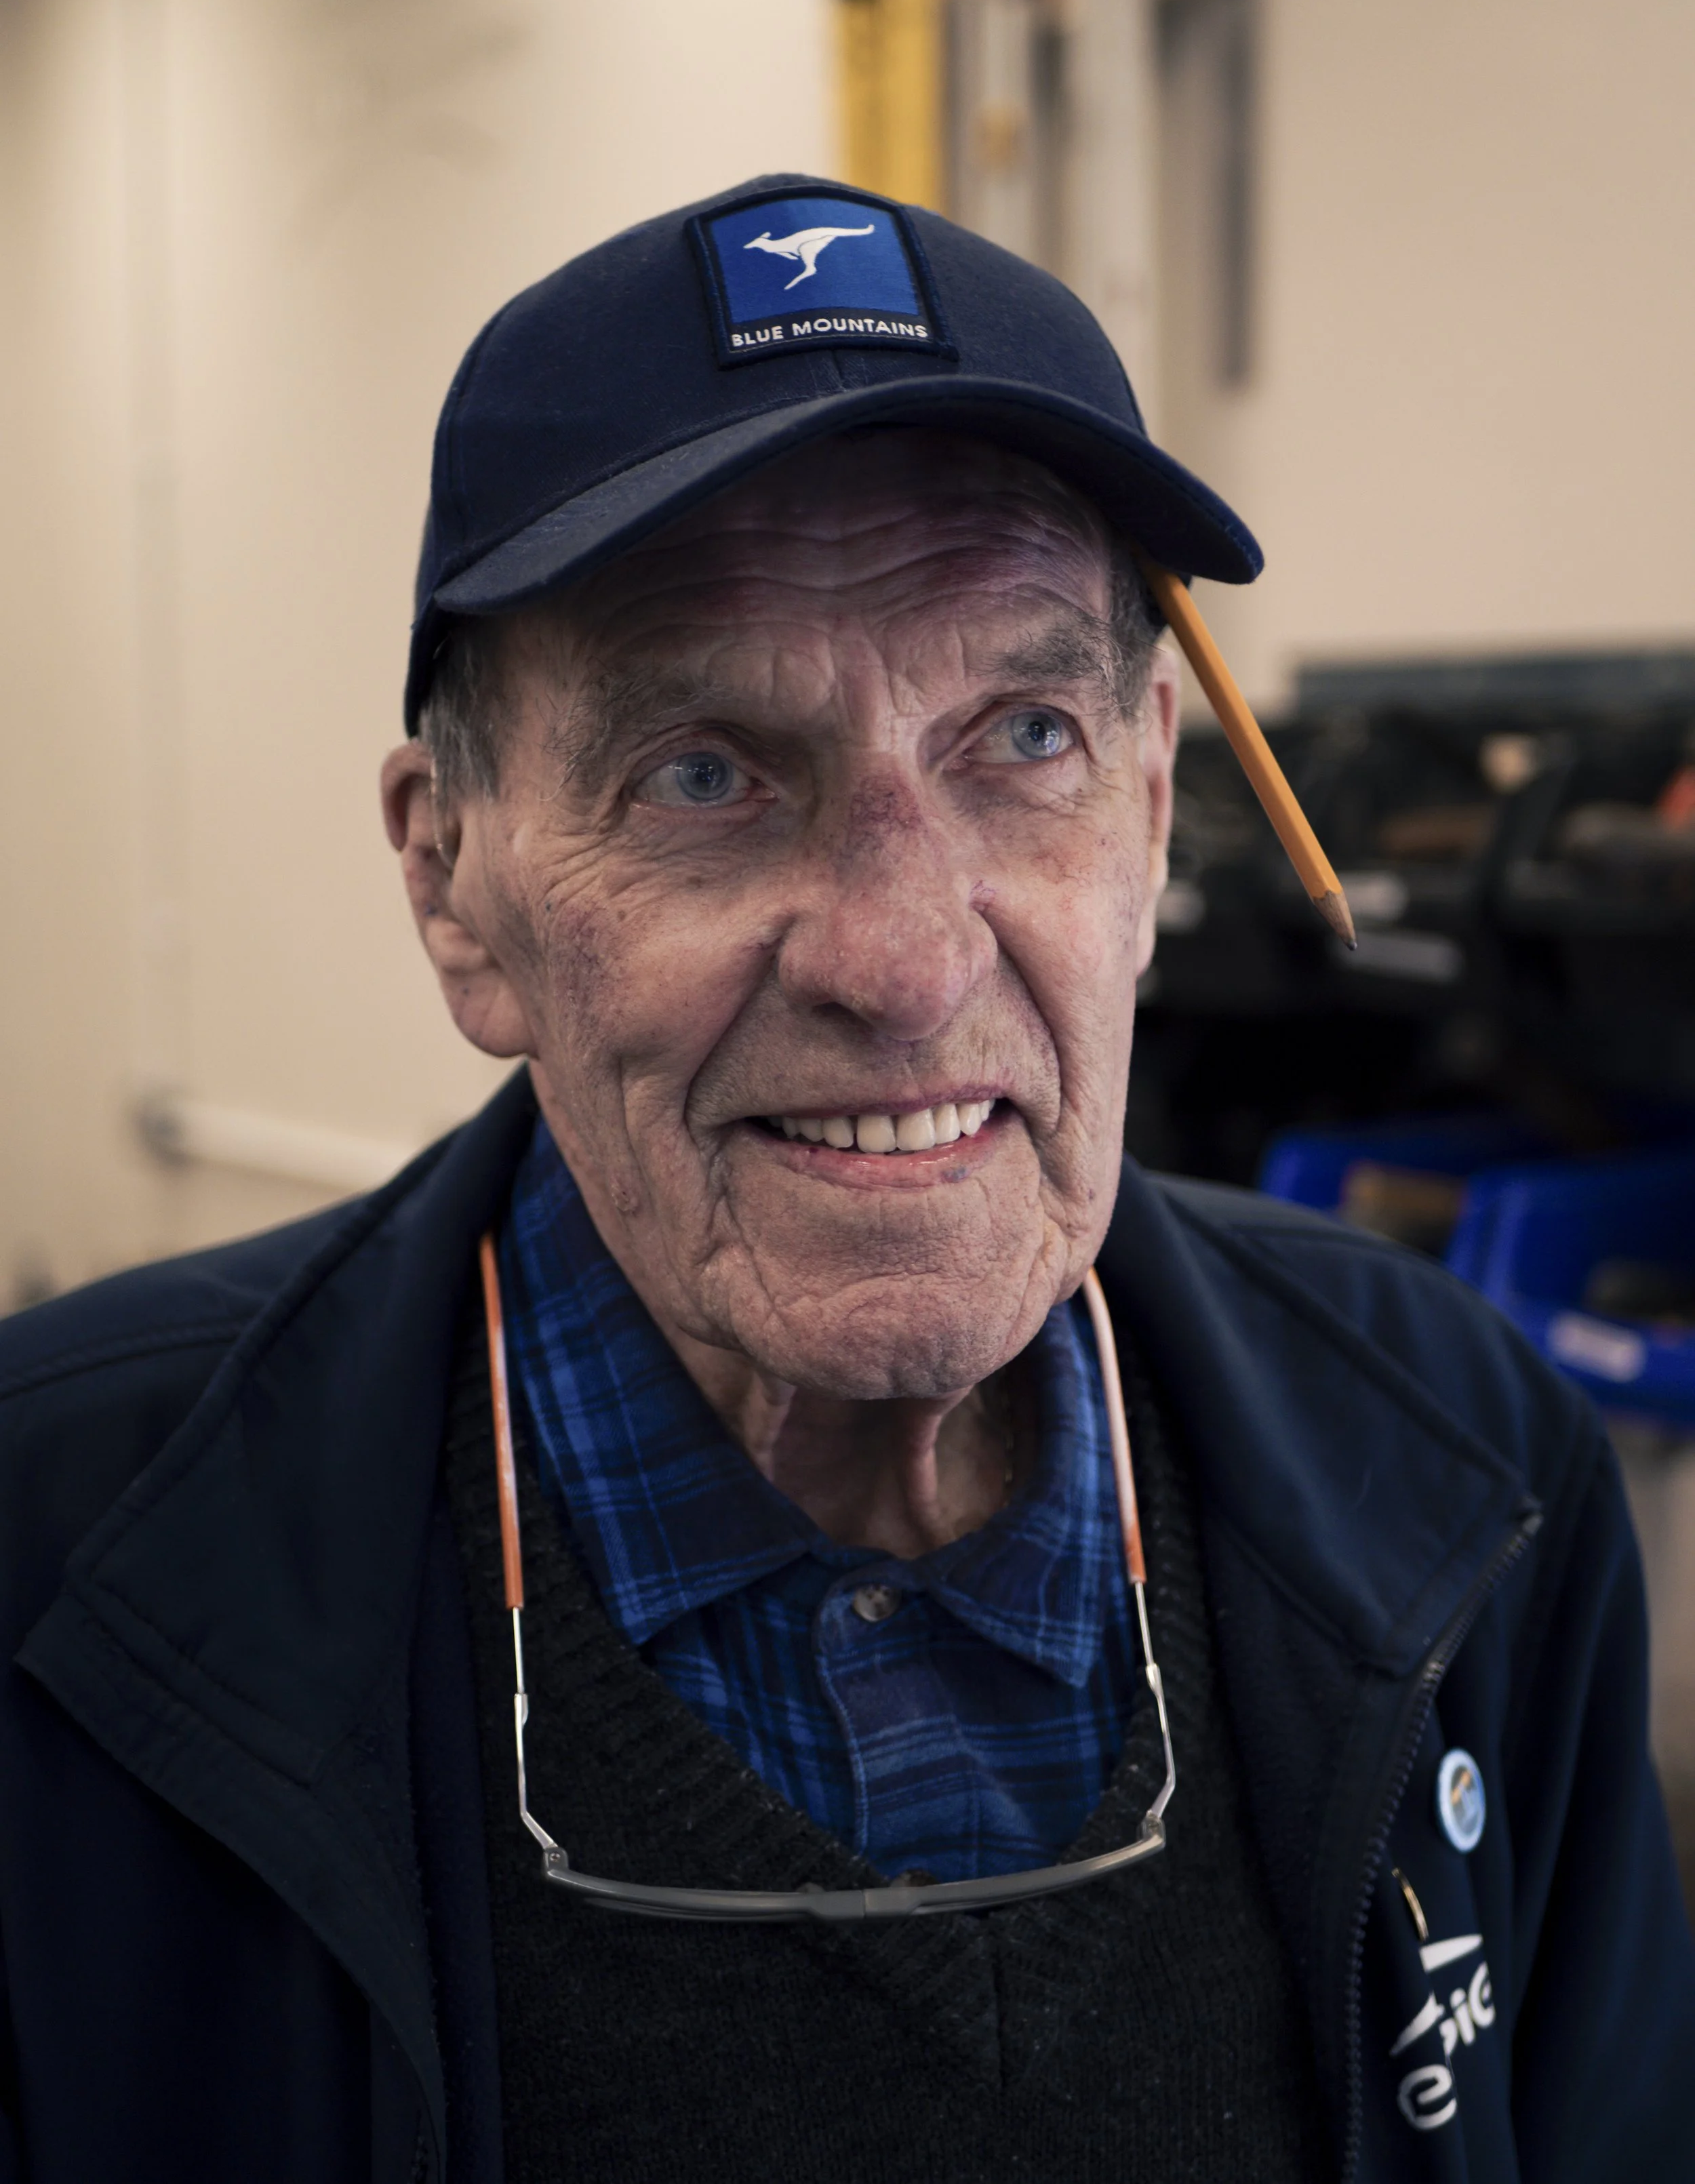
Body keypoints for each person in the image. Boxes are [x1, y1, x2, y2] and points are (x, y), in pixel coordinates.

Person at [1, 175, 1692, 2184]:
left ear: (1152, 814)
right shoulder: (53, 1568)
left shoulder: (1470, 1468)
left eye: (1025, 734)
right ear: (453, 884)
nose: (899, 962)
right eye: (702, 773)